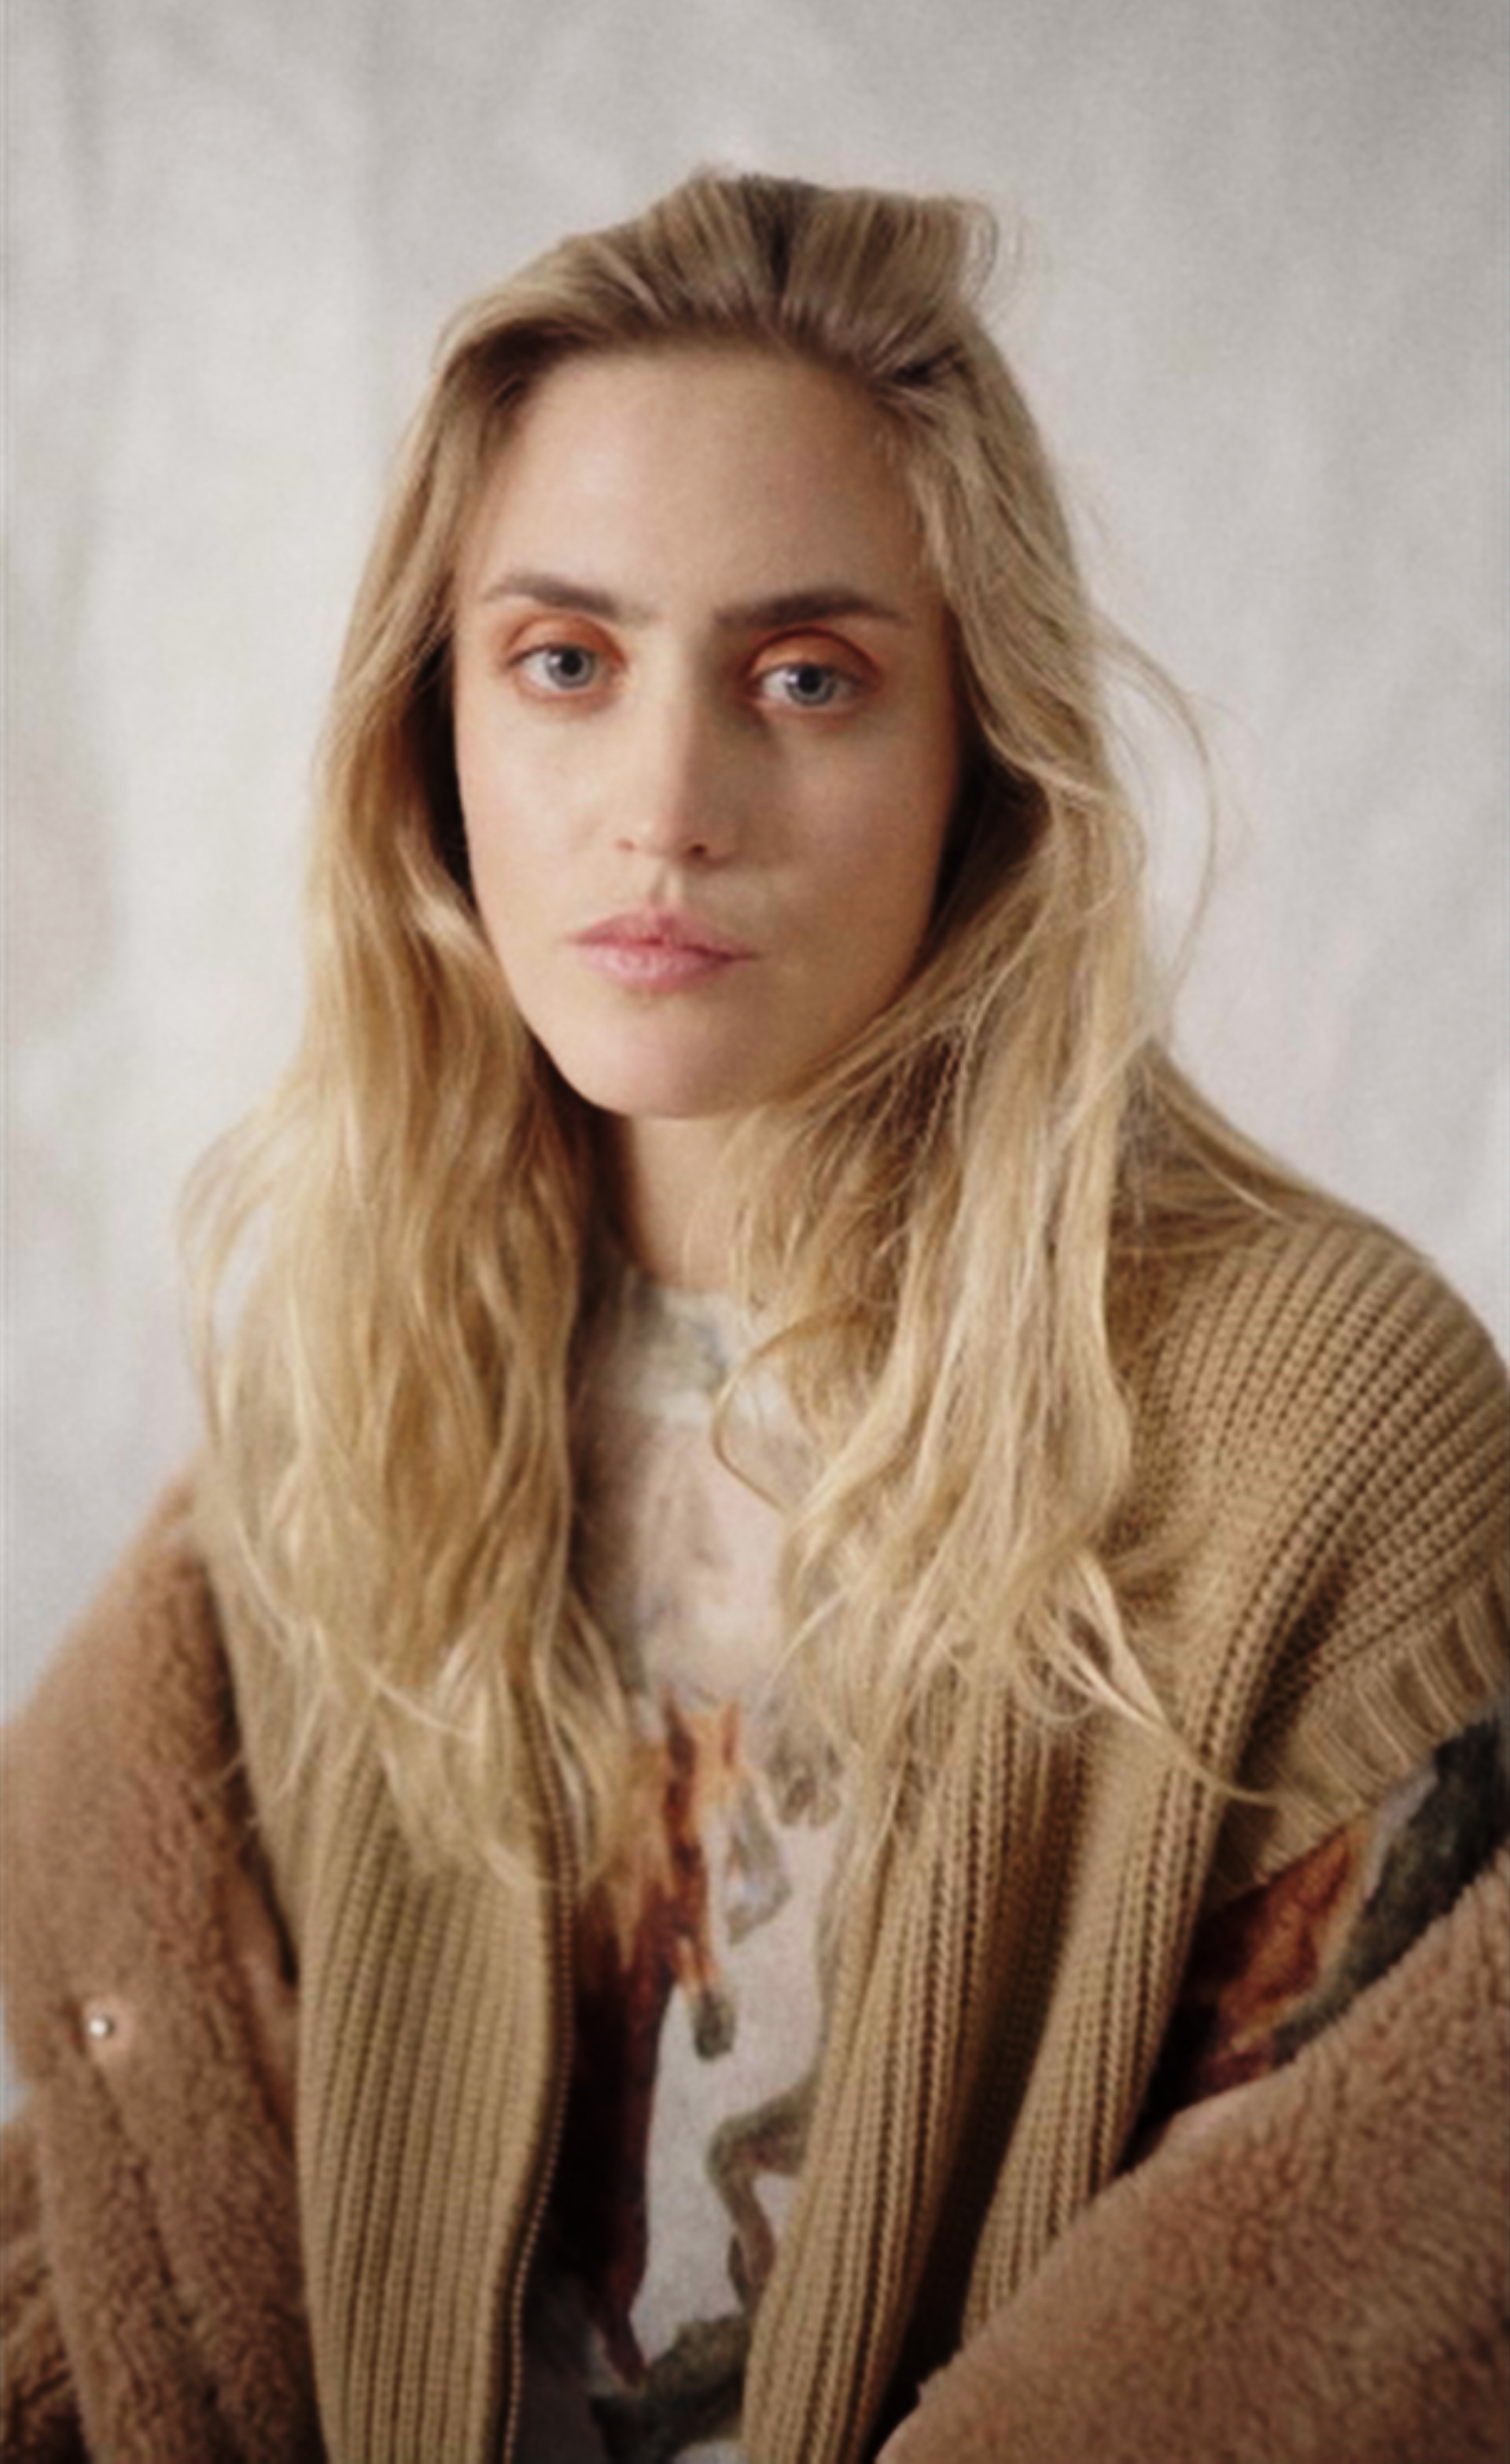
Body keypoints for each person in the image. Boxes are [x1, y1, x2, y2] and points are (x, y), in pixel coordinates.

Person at [2, 172, 1505, 2464]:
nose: (668, 807)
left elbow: (1344, 2320)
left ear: (980, 753)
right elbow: (164, 2197)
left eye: (807, 679)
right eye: (566, 663)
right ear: (434, 729)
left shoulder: (1314, 1428)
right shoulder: (367, 1370)